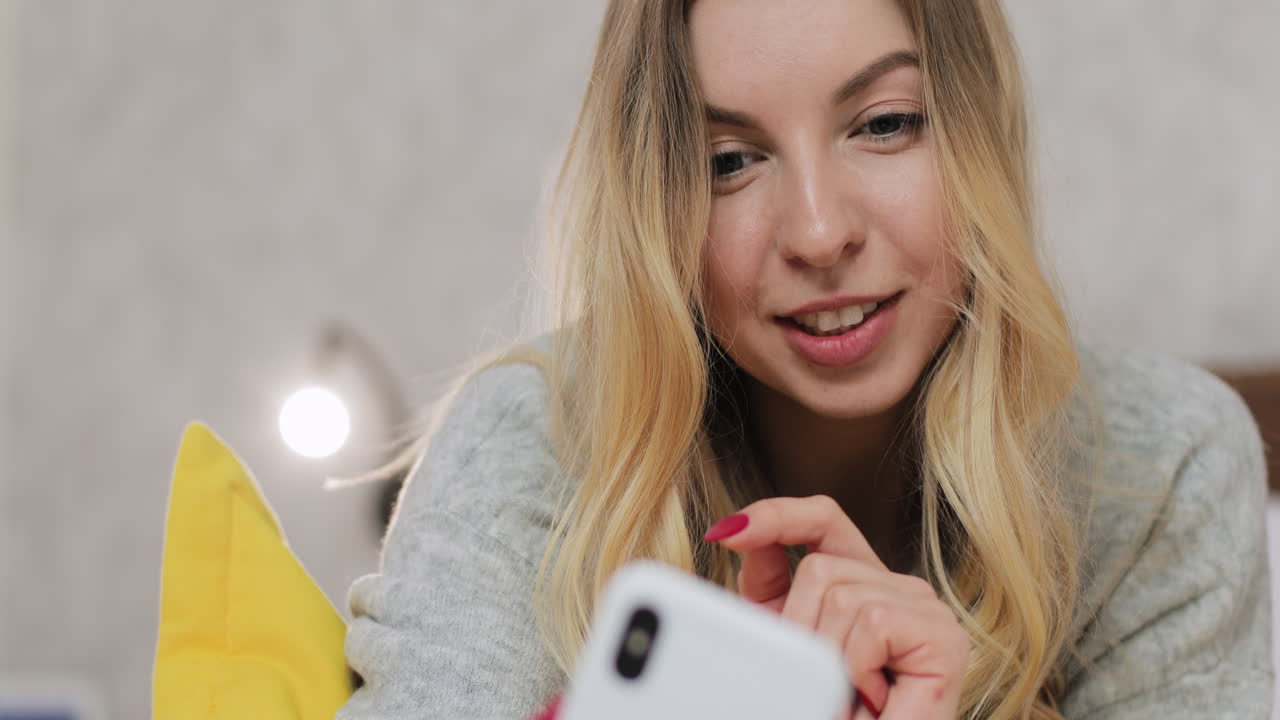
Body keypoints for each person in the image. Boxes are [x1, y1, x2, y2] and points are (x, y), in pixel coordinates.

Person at [336, 0, 1273, 718]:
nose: (819, 234)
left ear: (979, 135)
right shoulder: (534, 439)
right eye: (729, 162)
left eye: (885, 123)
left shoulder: (1161, 472)